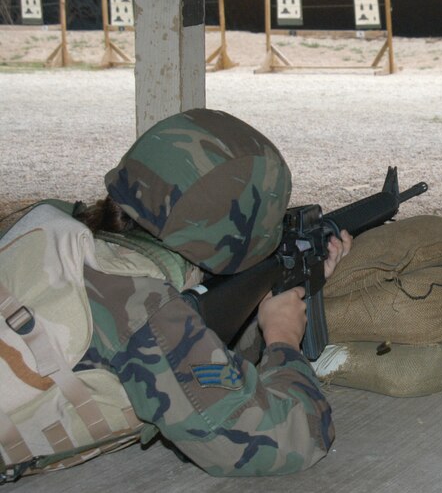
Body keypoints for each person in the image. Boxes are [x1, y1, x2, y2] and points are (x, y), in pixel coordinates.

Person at [3, 108, 351, 477]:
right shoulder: (143, 308)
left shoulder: (58, 230)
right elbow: (283, 440)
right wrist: (283, 339)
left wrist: (286, 279)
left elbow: (203, 347)